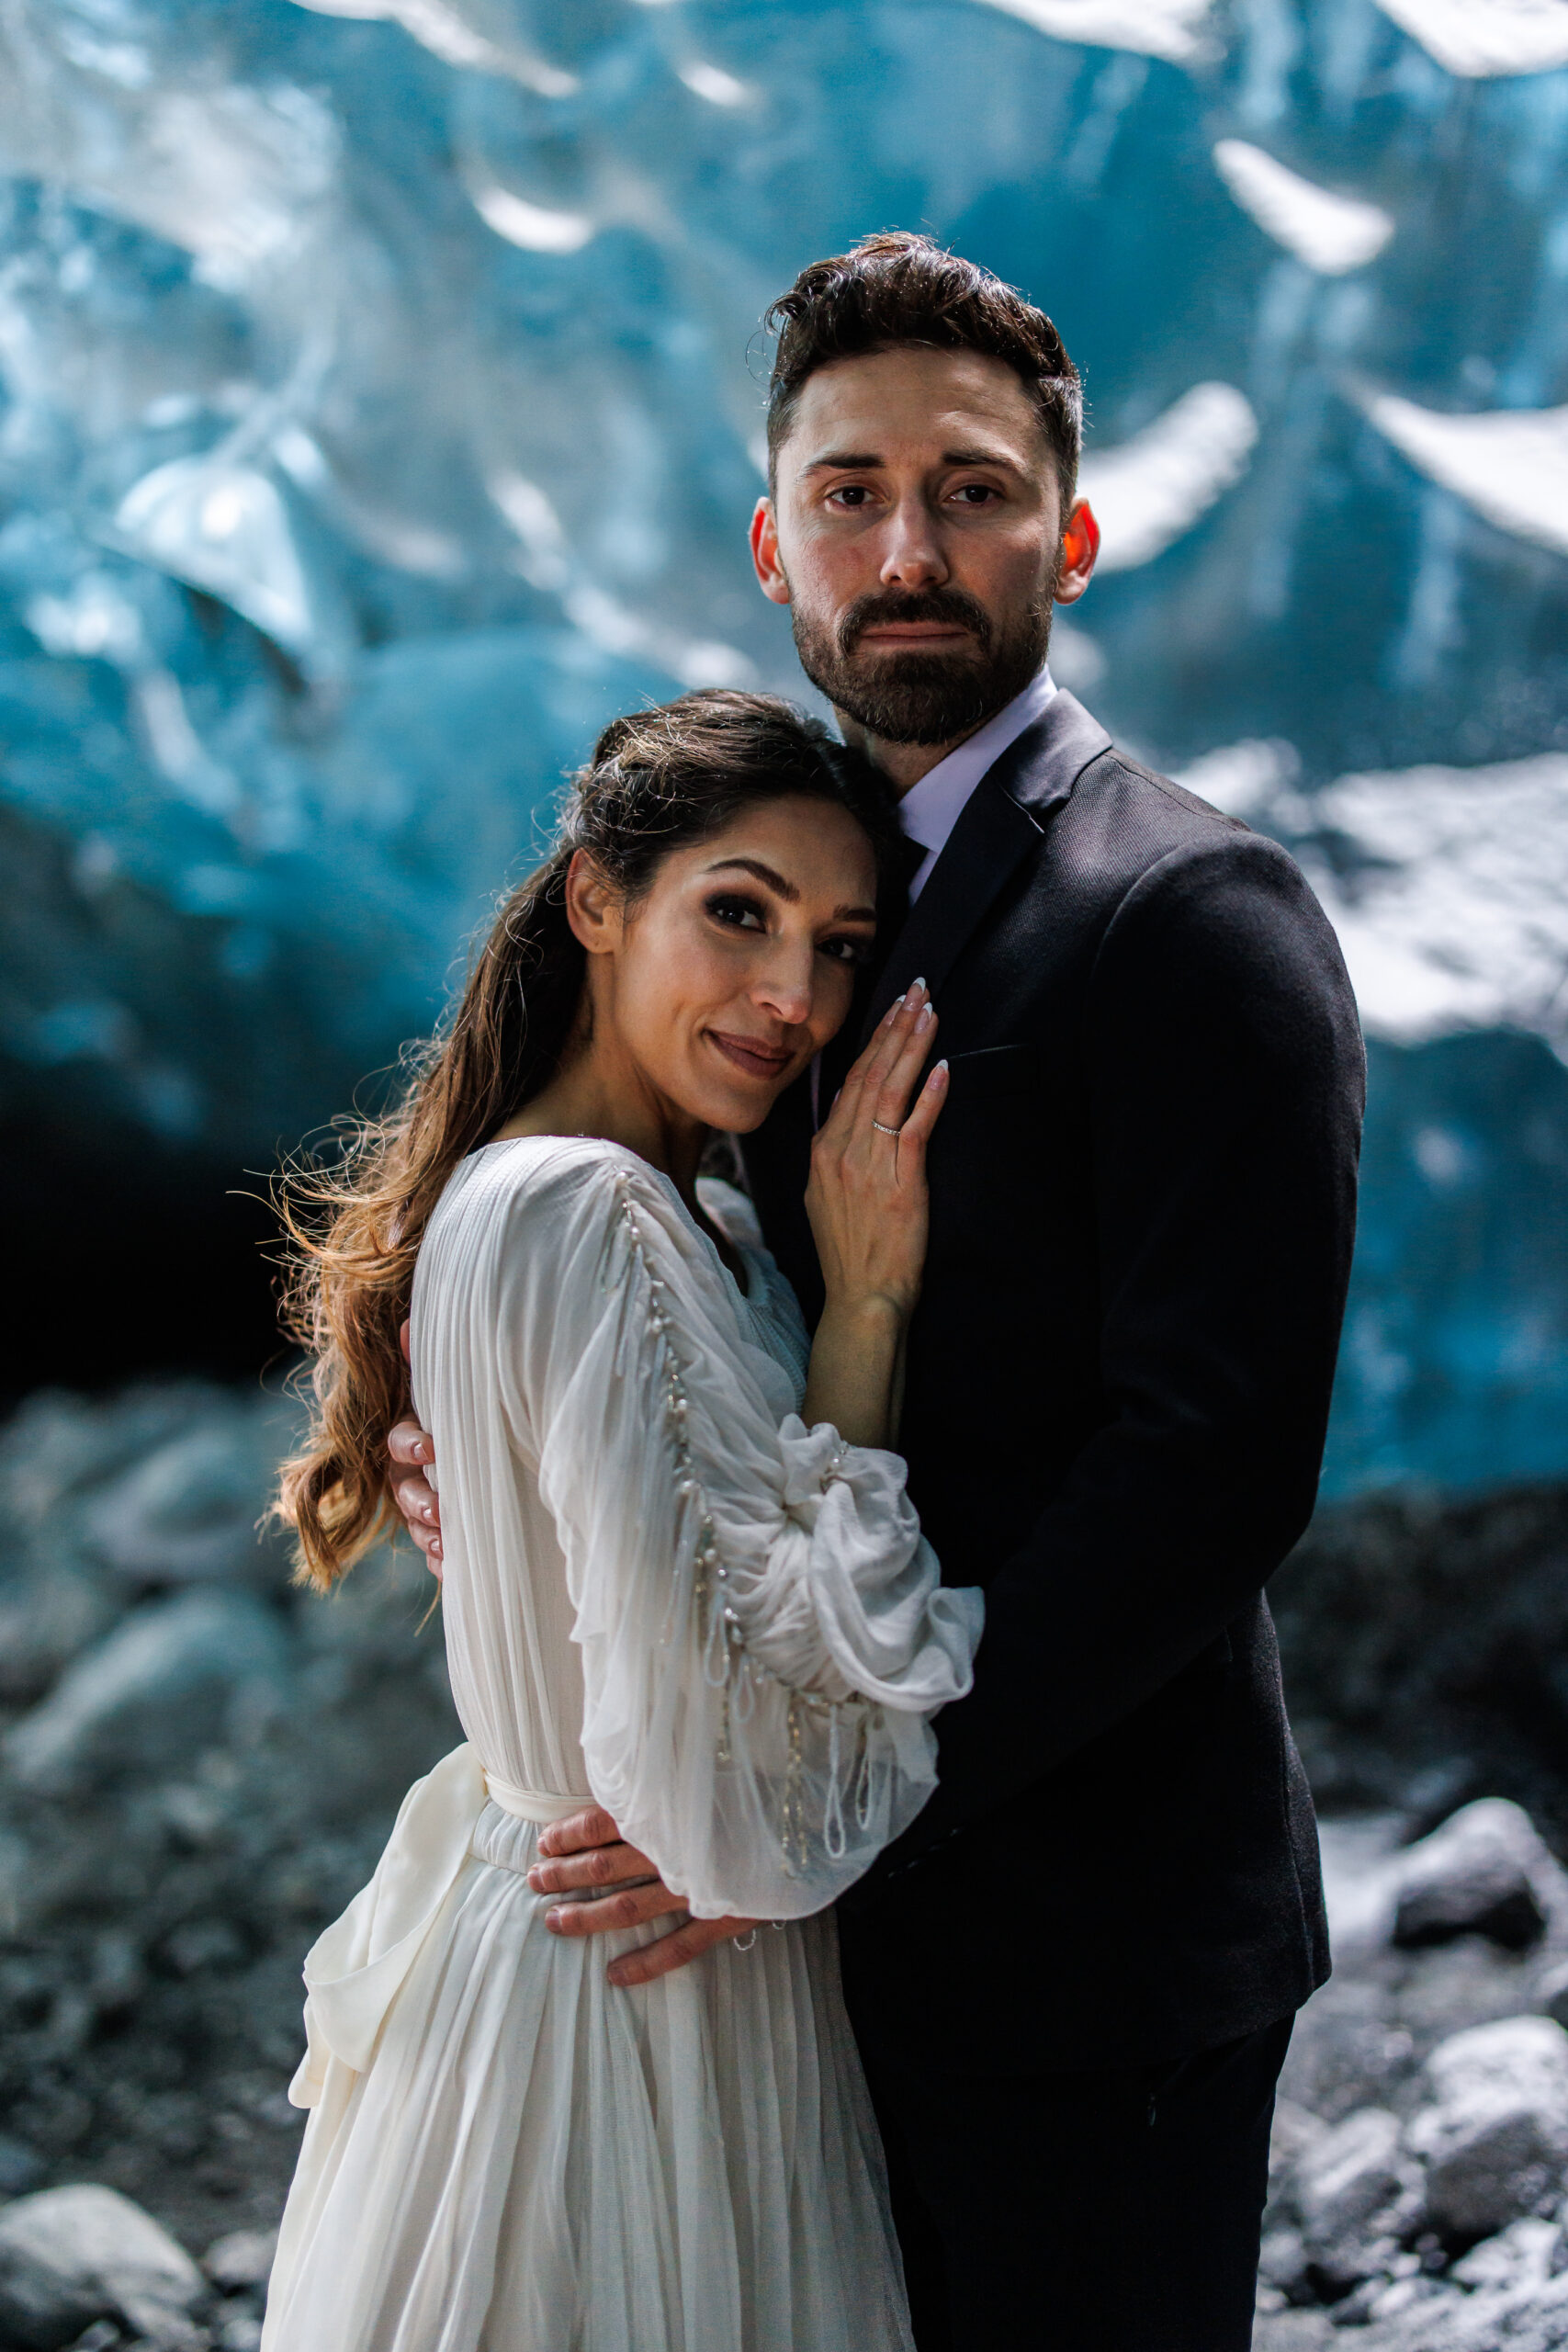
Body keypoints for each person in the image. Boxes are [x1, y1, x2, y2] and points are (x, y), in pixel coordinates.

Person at [392, 234, 1367, 2348]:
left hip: (1077, 1951)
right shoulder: (796, 884)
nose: (904, 544)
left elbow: (1211, 1463)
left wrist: (826, 1803)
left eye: (972, 488)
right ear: (770, 541)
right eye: (849, 491)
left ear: (1072, 536)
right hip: (797, 1957)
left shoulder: (1189, 908)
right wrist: (505, 1440)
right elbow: (650, 1279)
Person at [262, 688, 984, 2352]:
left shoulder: (682, 1207)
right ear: (598, 899)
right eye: (738, 912)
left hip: (630, 1953)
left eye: (839, 944)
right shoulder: (589, 1209)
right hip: (621, 1984)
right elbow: (765, 1751)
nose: (795, 997)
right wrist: (869, 1301)